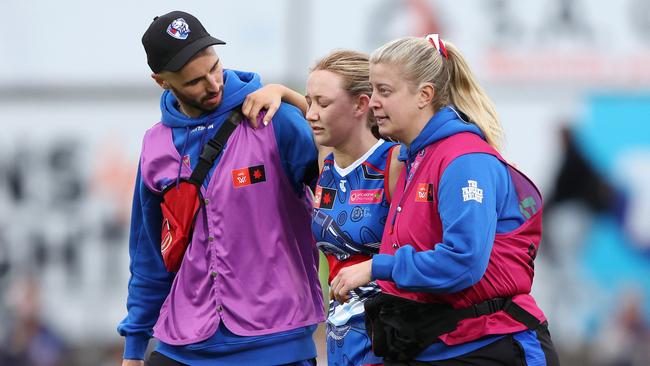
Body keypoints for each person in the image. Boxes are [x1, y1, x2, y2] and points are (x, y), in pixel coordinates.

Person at [329, 35, 560, 365]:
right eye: (372, 89)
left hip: (492, 344)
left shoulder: (464, 160)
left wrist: (376, 267)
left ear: (424, 95)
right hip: (439, 344)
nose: (373, 102)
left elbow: (463, 261)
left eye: (384, 91)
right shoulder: (414, 157)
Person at [117, 11, 324, 366]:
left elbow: (350, 160)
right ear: (161, 81)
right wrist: (134, 348)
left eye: (215, 67)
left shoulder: (275, 119)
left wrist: (292, 96)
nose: (213, 84)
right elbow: (150, 257)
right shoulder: (155, 145)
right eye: (194, 81)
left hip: (276, 343)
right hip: (183, 345)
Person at [243, 50, 403, 365]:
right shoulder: (324, 159)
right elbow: (318, 115)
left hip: (389, 337)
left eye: (323, 103)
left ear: (361, 104)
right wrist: (279, 91)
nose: (311, 113)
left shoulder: (395, 161)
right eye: (309, 101)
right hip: (340, 335)